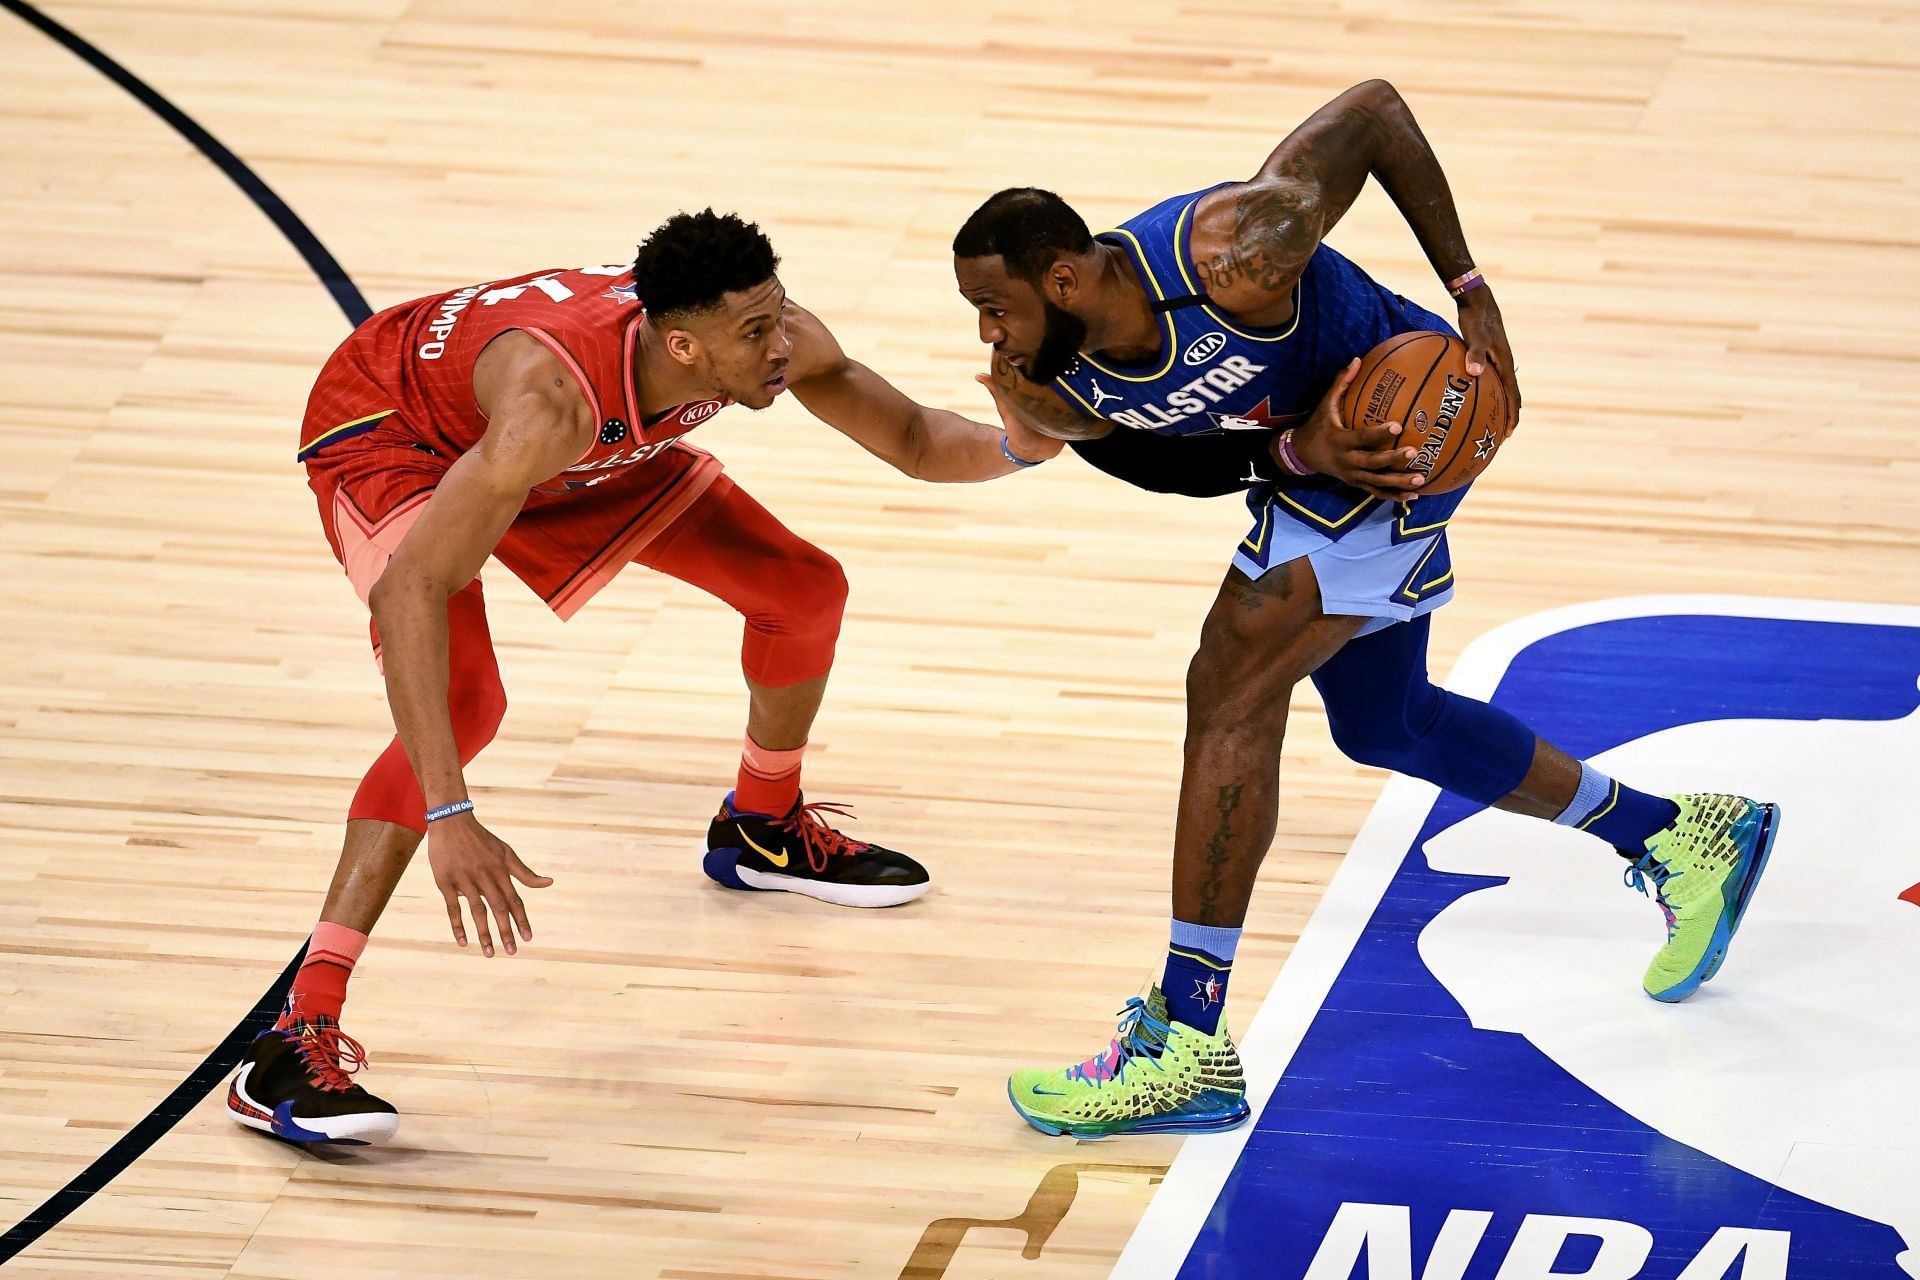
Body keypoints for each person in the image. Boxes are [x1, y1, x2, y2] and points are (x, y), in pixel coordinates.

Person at [953, 80, 1779, 1139]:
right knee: (1388, 720)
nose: (988, 333)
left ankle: (1189, 1040)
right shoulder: (1044, 377)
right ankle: (1683, 835)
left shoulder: (1233, 249)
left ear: (1064, 278)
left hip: (1409, 422)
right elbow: (1158, 464)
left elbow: (1378, 112)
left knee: (1230, 683)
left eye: (997, 305)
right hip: (1319, 457)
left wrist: (1471, 287)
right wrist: (1290, 454)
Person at [227, 209, 1066, 1145]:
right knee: (465, 704)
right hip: (398, 436)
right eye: (756, 334)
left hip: (561, 454)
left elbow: (910, 436)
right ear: (683, 346)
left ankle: (762, 826)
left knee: (802, 587)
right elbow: (416, 588)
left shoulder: (764, 339)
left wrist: (1019, 448)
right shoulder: (552, 402)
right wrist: (448, 812)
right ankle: (295, 1030)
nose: (781, 344)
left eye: (779, 315)